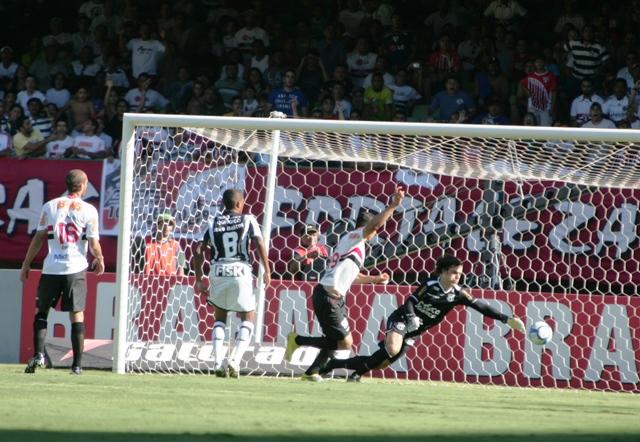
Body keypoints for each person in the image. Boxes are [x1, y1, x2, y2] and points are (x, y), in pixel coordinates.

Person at [320, 255, 526, 382]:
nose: (457, 277)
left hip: (416, 330)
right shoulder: (430, 284)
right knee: (391, 349)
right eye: (454, 273)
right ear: (443, 272)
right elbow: (409, 301)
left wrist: (506, 319)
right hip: (402, 318)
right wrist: (410, 317)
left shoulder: (458, 293)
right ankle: (355, 376)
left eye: (460, 274)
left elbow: (481, 306)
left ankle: (332, 365)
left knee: (382, 363)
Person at [284, 187, 405, 381]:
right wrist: (393, 206)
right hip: (328, 294)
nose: (375, 233)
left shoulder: (351, 244)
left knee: (335, 339)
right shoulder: (356, 236)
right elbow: (374, 226)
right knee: (345, 343)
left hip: (331, 295)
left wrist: (375, 279)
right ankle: (297, 340)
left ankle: (312, 372)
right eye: (373, 230)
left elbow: (352, 276)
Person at [21, 169, 104, 375]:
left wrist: (26, 264)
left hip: (52, 267)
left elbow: (39, 237)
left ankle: (39, 355)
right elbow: (93, 242)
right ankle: (76, 365)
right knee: (76, 314)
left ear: (67, 184)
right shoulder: (89, 210)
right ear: (83, 185)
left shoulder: (50, 206)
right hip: (75, 268)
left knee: (41, 312)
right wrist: (100, 259)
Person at [192, 189, 271, 378]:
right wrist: (266, 270)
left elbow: (197, 251)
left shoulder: (213, 223)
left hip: (218, 270)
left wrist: (198, 278)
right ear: (239, 204)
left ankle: (218, 363)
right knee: (247, 317)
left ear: (223, 204)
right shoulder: (248, 219)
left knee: (220, 318)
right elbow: (259, 243)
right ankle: (234, 361)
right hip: (240, 269)